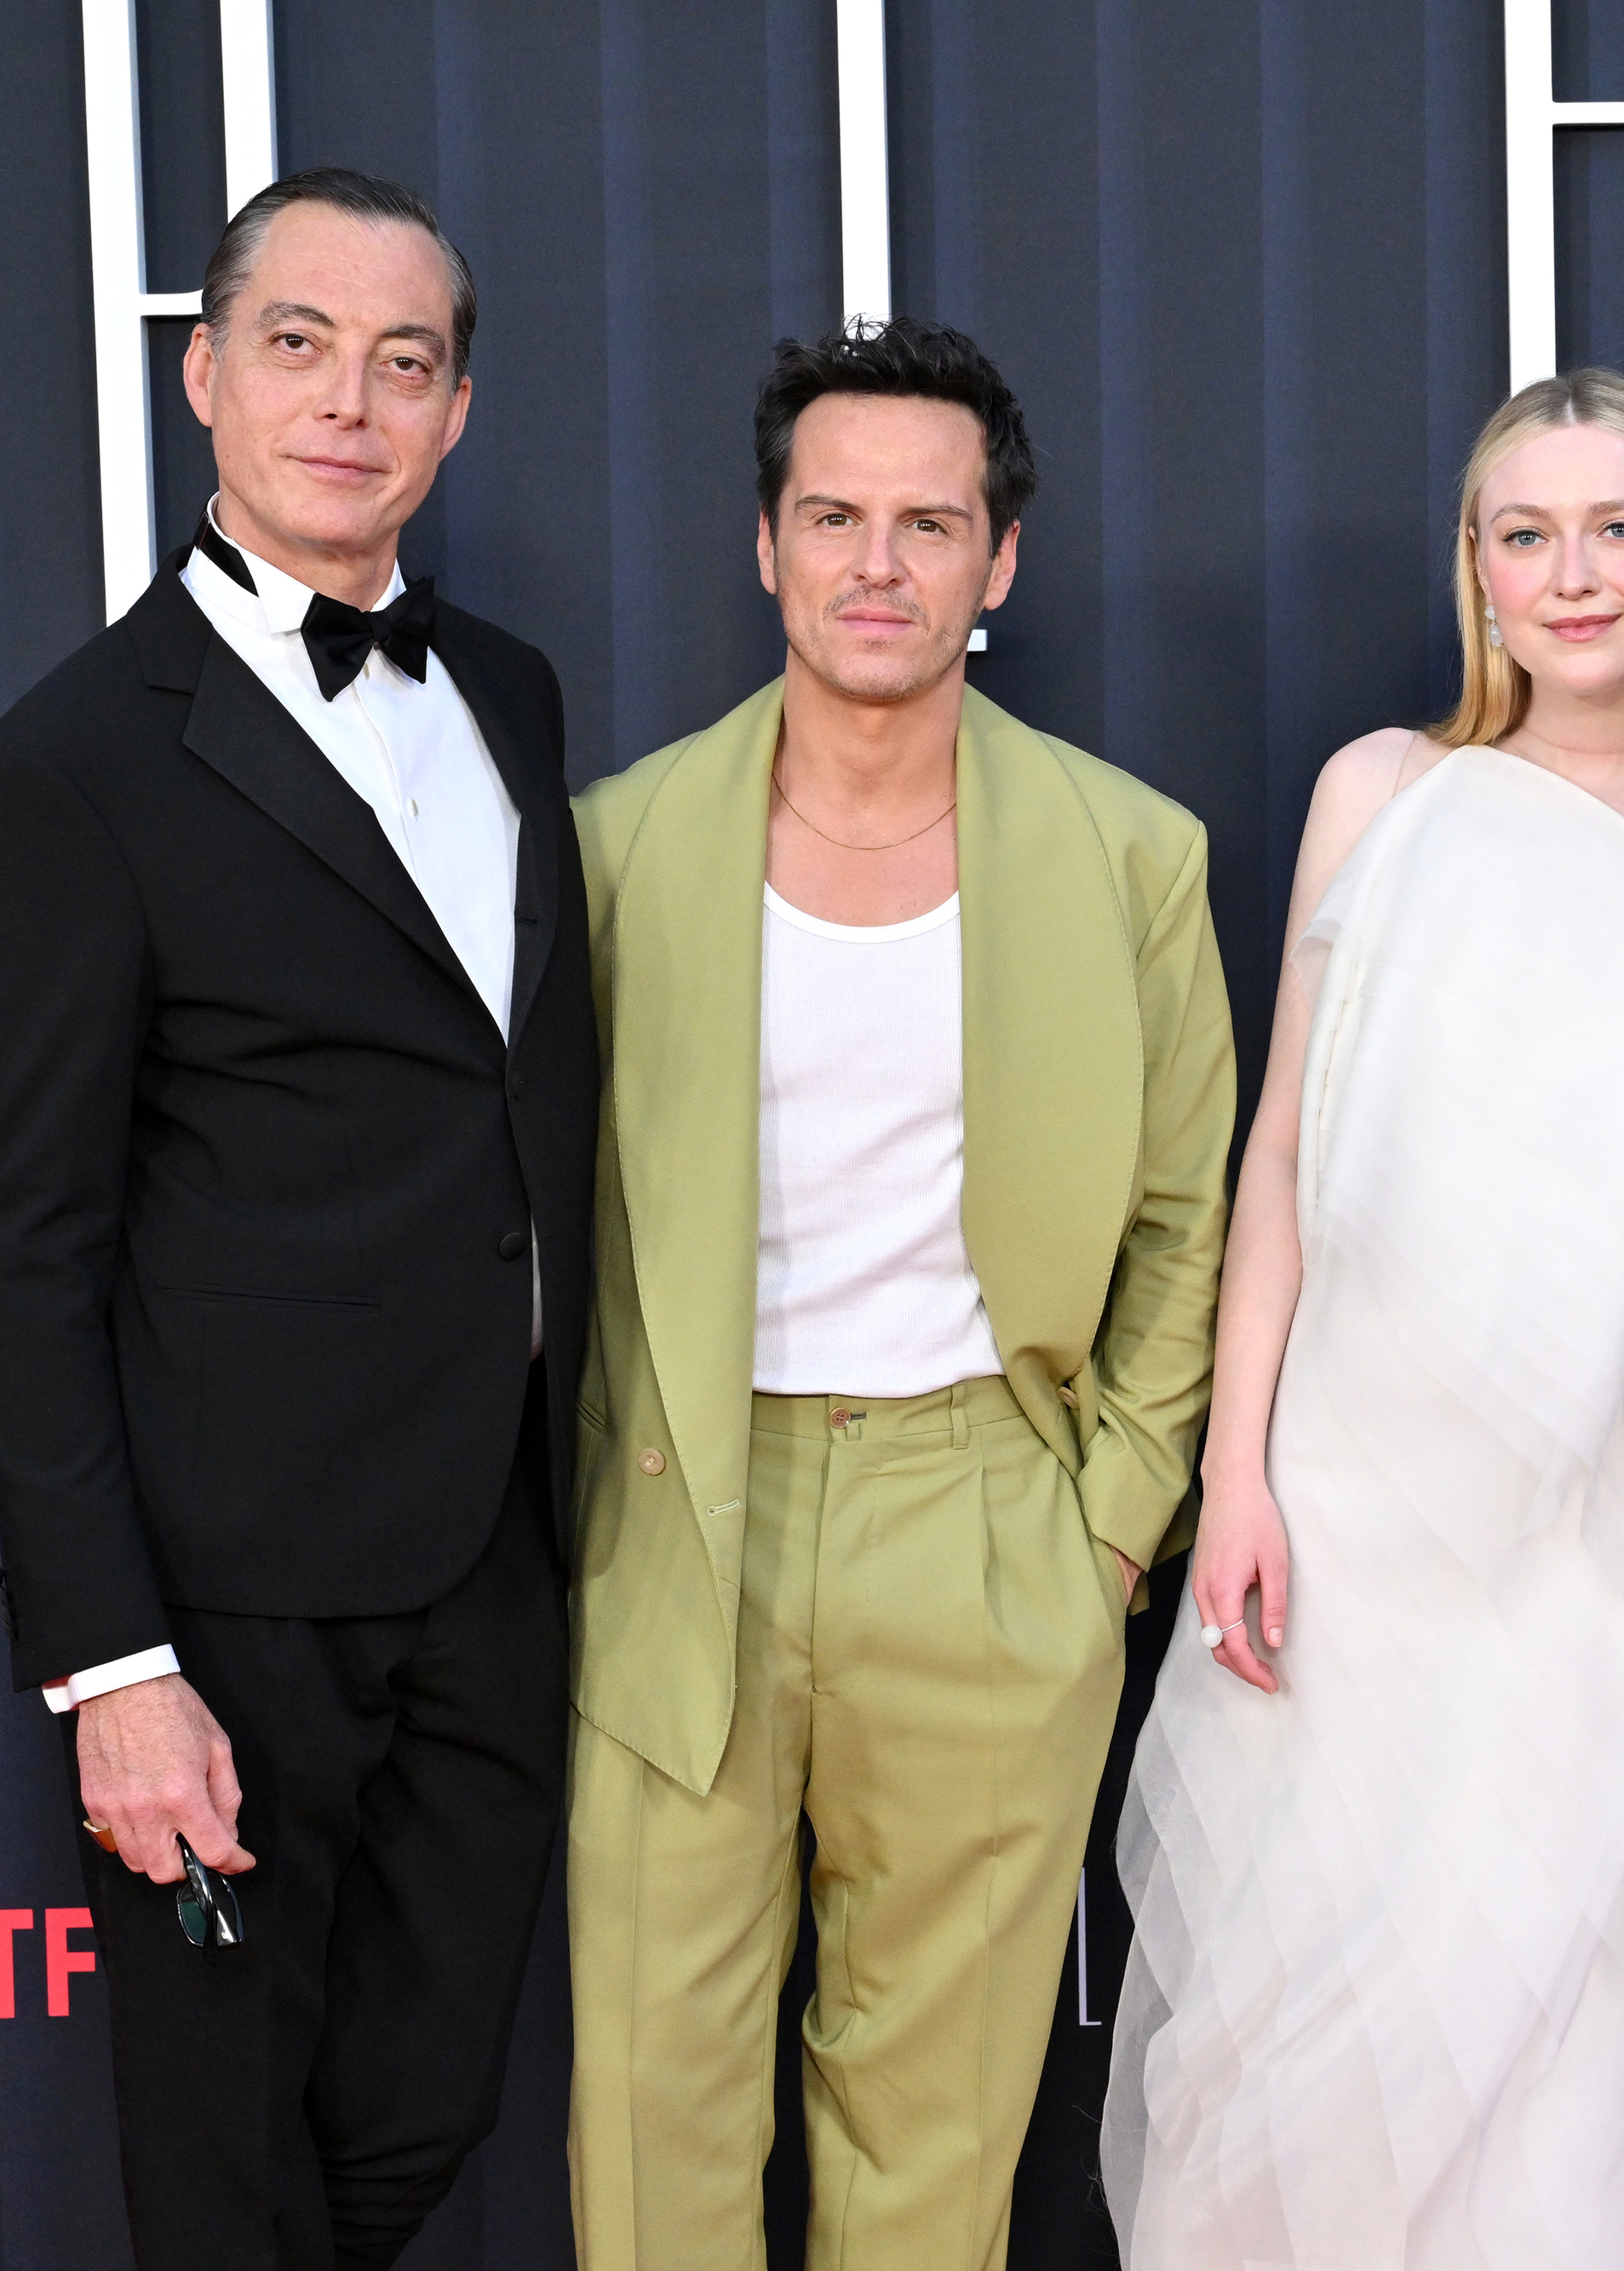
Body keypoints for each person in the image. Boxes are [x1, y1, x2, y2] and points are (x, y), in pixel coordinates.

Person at [1104, 368, 1624, 2267]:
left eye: (1618, 529)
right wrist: (1237, 1470)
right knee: (1326, 1998)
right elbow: (1283, 1148)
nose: (1574, 574)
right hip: (1360, 1517)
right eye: (1528, 535)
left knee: (1598, 1994)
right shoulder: (1381, 789)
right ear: (1479, 570)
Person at [0, 169, 594, 2268]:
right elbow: (28, 1251)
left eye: (405, 361)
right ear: (207, 375)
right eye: (299, 345)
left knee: (420, 2109)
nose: (350, 400)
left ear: (456, 412)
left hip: (495, 1556)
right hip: (225, 1604)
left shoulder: (510, 691)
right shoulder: (66, 767)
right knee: (226, 2160)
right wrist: (115, 1666)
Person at [560, 317, 1233, 2271]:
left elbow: (1184, 1216)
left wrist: (1102, 1530)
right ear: (764, 543)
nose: (878, 562)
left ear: (996, 557)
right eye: (834, 515)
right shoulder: (614, 848)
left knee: (934, 2143)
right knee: (652, 2112)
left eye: (927, 522)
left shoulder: (1129, 854)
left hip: (988, 1521)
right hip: (678, 1521)